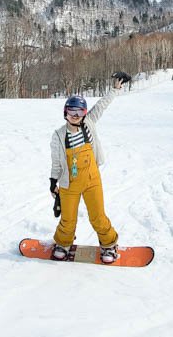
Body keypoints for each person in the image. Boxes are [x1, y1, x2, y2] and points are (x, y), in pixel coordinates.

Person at [49, 75, 124, 263]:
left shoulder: (89, 123)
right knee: (68, 219)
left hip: (92, 179)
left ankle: (109, 245)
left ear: (84, 113)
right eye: (71, 111)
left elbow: (101, 105)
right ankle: (63, 243)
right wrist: (53, 183)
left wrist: (115, 89)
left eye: (79, 112)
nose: (75, 115)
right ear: (65, 112)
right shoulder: (58, 135)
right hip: (69, 182)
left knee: (98, 216)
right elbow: (56, 162)